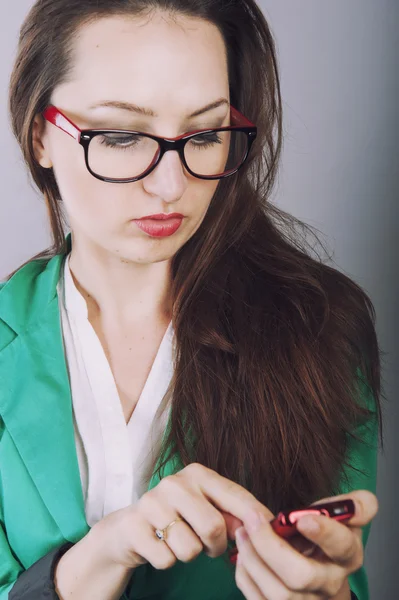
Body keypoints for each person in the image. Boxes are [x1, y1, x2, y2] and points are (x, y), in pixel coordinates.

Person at [0, 1, 383, 599]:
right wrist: (97, 558)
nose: (172, 186)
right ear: (39, 135)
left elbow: (342, 581)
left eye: (204, 134)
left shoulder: (319, 328)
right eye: (123, 136)